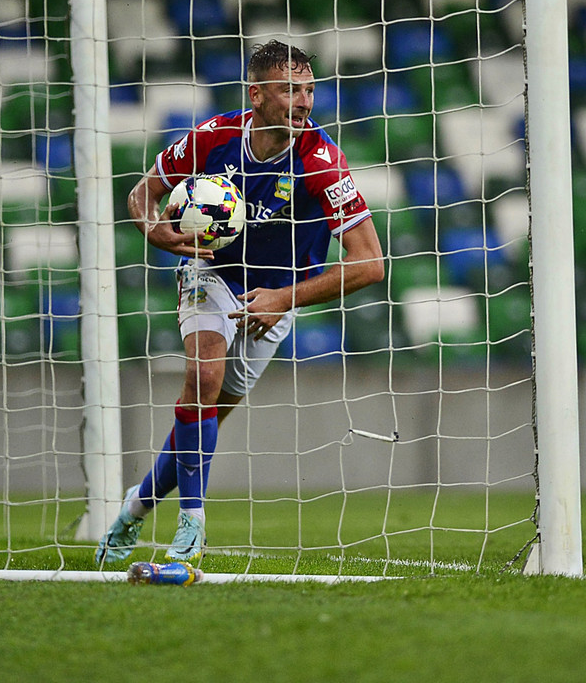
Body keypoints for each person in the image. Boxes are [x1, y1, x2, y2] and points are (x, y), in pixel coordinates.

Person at [95, 40, 384, 565]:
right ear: (257, 94)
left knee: (203, 418)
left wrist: (283, 299)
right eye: (289, 90)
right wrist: (155, 231)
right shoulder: (214, 136)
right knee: (202, 378)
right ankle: (192, 524)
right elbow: (143, 193)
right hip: (210, 271)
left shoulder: (322, 161)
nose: (303, 101)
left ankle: (133, 510)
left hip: (273, 299)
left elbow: (370, 263)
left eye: (309, 90)